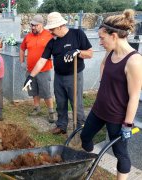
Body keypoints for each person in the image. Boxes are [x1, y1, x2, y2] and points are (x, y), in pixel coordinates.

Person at [80, 9, 142, 180]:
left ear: (114, 35)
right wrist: (104, 87)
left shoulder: (134, 61)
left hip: (117, 116)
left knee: (120, 153)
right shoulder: (111, 51)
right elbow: (103, 66)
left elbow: (134, 96)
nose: (100, 42)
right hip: (99, 109)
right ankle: (91, 162)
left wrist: (127, 125)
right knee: (85, 137)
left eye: (102, 38)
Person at [23, 12, 93, 135]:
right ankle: (61, 125)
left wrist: (77, 52)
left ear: (60, 26)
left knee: (76, 102)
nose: (50, 32)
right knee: (60, 102)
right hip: (59, 77)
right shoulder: (52, 41)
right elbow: (42, 61)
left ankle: (81, 127)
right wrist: (30, 76)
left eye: (52, 29)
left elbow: (90, 53)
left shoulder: (77, 34)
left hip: (74, 76)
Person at [20, 14, 55, 122]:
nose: (33, 27)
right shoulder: (28, 36)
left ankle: (51, 112)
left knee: (46, 92)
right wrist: (22, 61)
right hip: (30, 70)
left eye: (35, 25)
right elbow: (22, 49)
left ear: (41, 25)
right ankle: (37, 108)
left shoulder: (49, 36)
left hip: (44, 70)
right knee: (33, 91)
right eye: (32, 25)